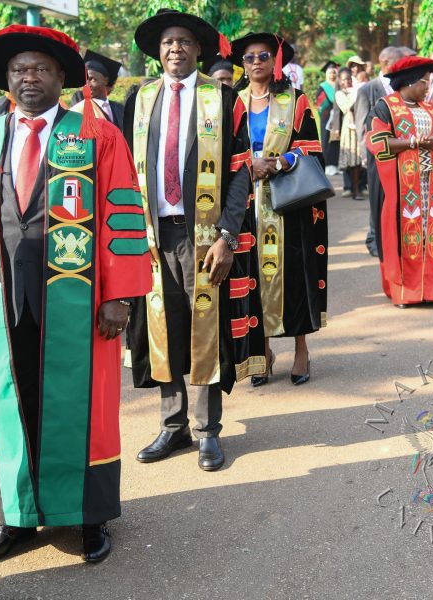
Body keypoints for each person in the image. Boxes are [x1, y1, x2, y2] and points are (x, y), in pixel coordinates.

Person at [0, 24, 151, 565]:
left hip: (76, 297)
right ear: (5, 79)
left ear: (61, 78)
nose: (30, 78)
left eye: (41, 69)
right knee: (7, 405)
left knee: (82, 407)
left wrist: (120, 295)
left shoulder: (94, 134)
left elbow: (123, 211)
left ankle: (87, 515)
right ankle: (15, 517)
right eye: (20, 70)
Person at [125, 9, 265, 472]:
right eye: (167, 42)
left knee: (205, 325)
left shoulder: (223, 99)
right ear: (157, 50)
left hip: (204, 234)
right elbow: (125, 171)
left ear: (198, 49)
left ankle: (207, 431)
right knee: (162, 325)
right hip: (153, 234)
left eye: (184, 41)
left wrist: (228, 234)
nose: (175, 49)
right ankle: (173, 424)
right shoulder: (139, 99)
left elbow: (241, 172)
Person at [230, 32, 328, 387]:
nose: (256, 62)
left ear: (275, 61)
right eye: (249, 57)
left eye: (263, 56)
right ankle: (264, 350)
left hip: (286, 202)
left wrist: (280, 161)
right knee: (253, 273)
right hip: (243, 203)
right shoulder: (232, 102)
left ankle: (301, 349)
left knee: (293, 275)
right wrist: (246, 166)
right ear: (242, 64)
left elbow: (313, 148)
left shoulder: (295, 101)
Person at [366, 56, 433, 306]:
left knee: (431, 235)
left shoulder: (431, 109)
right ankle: (407, 293)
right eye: (425, 82)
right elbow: (377, 142)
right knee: (406, 237)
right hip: (403, 187)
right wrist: (413, 142)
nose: (428, 87)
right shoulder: (385, 107)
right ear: (410, 82)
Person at [355, 46, 404, 257]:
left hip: (399, 155)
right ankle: (374, 239)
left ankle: (392, 239)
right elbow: (361, 126)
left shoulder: (401, 87)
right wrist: (365, 156)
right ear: (386, 63)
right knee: (377, 199)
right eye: (399, 62)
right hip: (376, 156)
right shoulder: (367, 89)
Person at [70, 50, 125, 131]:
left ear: (105, 80)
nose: (87, 85)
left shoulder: (119, 108)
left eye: (92, 79)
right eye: (85, 80)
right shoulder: (79, 110)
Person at [335, 67, 363, 198]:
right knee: (352, 161)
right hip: (349, 129)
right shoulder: (340, 94)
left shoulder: (356, 91)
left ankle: (357, 189)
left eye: (349, 79)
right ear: (340, 82)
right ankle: (353, 190)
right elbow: (347, 107)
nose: (348, 81)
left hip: (359, 126)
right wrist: (356, 92)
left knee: (358, 161)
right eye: (344, 79)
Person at [316, 61, 340, 176]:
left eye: (334, 73)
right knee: (327, 140)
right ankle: (328, 165)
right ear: (326, 74)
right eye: (330, 73)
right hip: (327, 119)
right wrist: (330, 110)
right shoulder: (323, 87)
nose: (332, 75)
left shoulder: (339, 85)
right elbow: (321, 104)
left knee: (338, 140)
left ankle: (337, 164)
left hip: (339, 117)